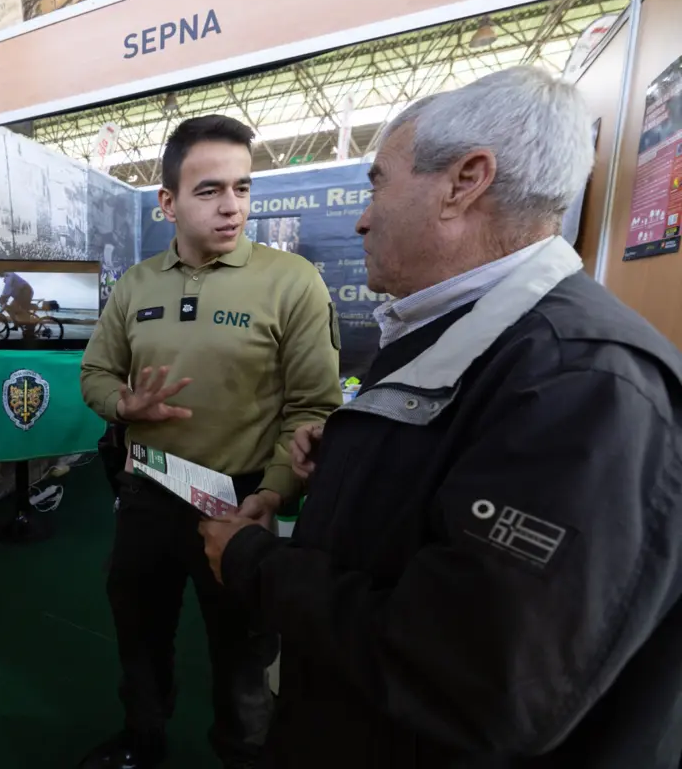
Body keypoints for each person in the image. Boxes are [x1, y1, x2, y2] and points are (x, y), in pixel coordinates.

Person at [202, 66, 682, 768]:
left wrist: (254, 564)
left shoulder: (583, 383)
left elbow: (475, 675)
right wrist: (357, 455)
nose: (363, 218)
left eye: (378, 184)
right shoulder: (478, 333)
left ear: (465, 182)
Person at [78, 114, 344, 769]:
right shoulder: (136, 284)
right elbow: (95, 374)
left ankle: (245, 754)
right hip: (147, 492)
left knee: (244, 650)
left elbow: (313, 407)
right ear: (167, 202)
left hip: (240, 501)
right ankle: (143, 738)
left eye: (242, 188)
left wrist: (273, 494)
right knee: (139, 629)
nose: (232, 206)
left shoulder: (292, 281)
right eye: (210, 190)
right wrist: (124, 404)